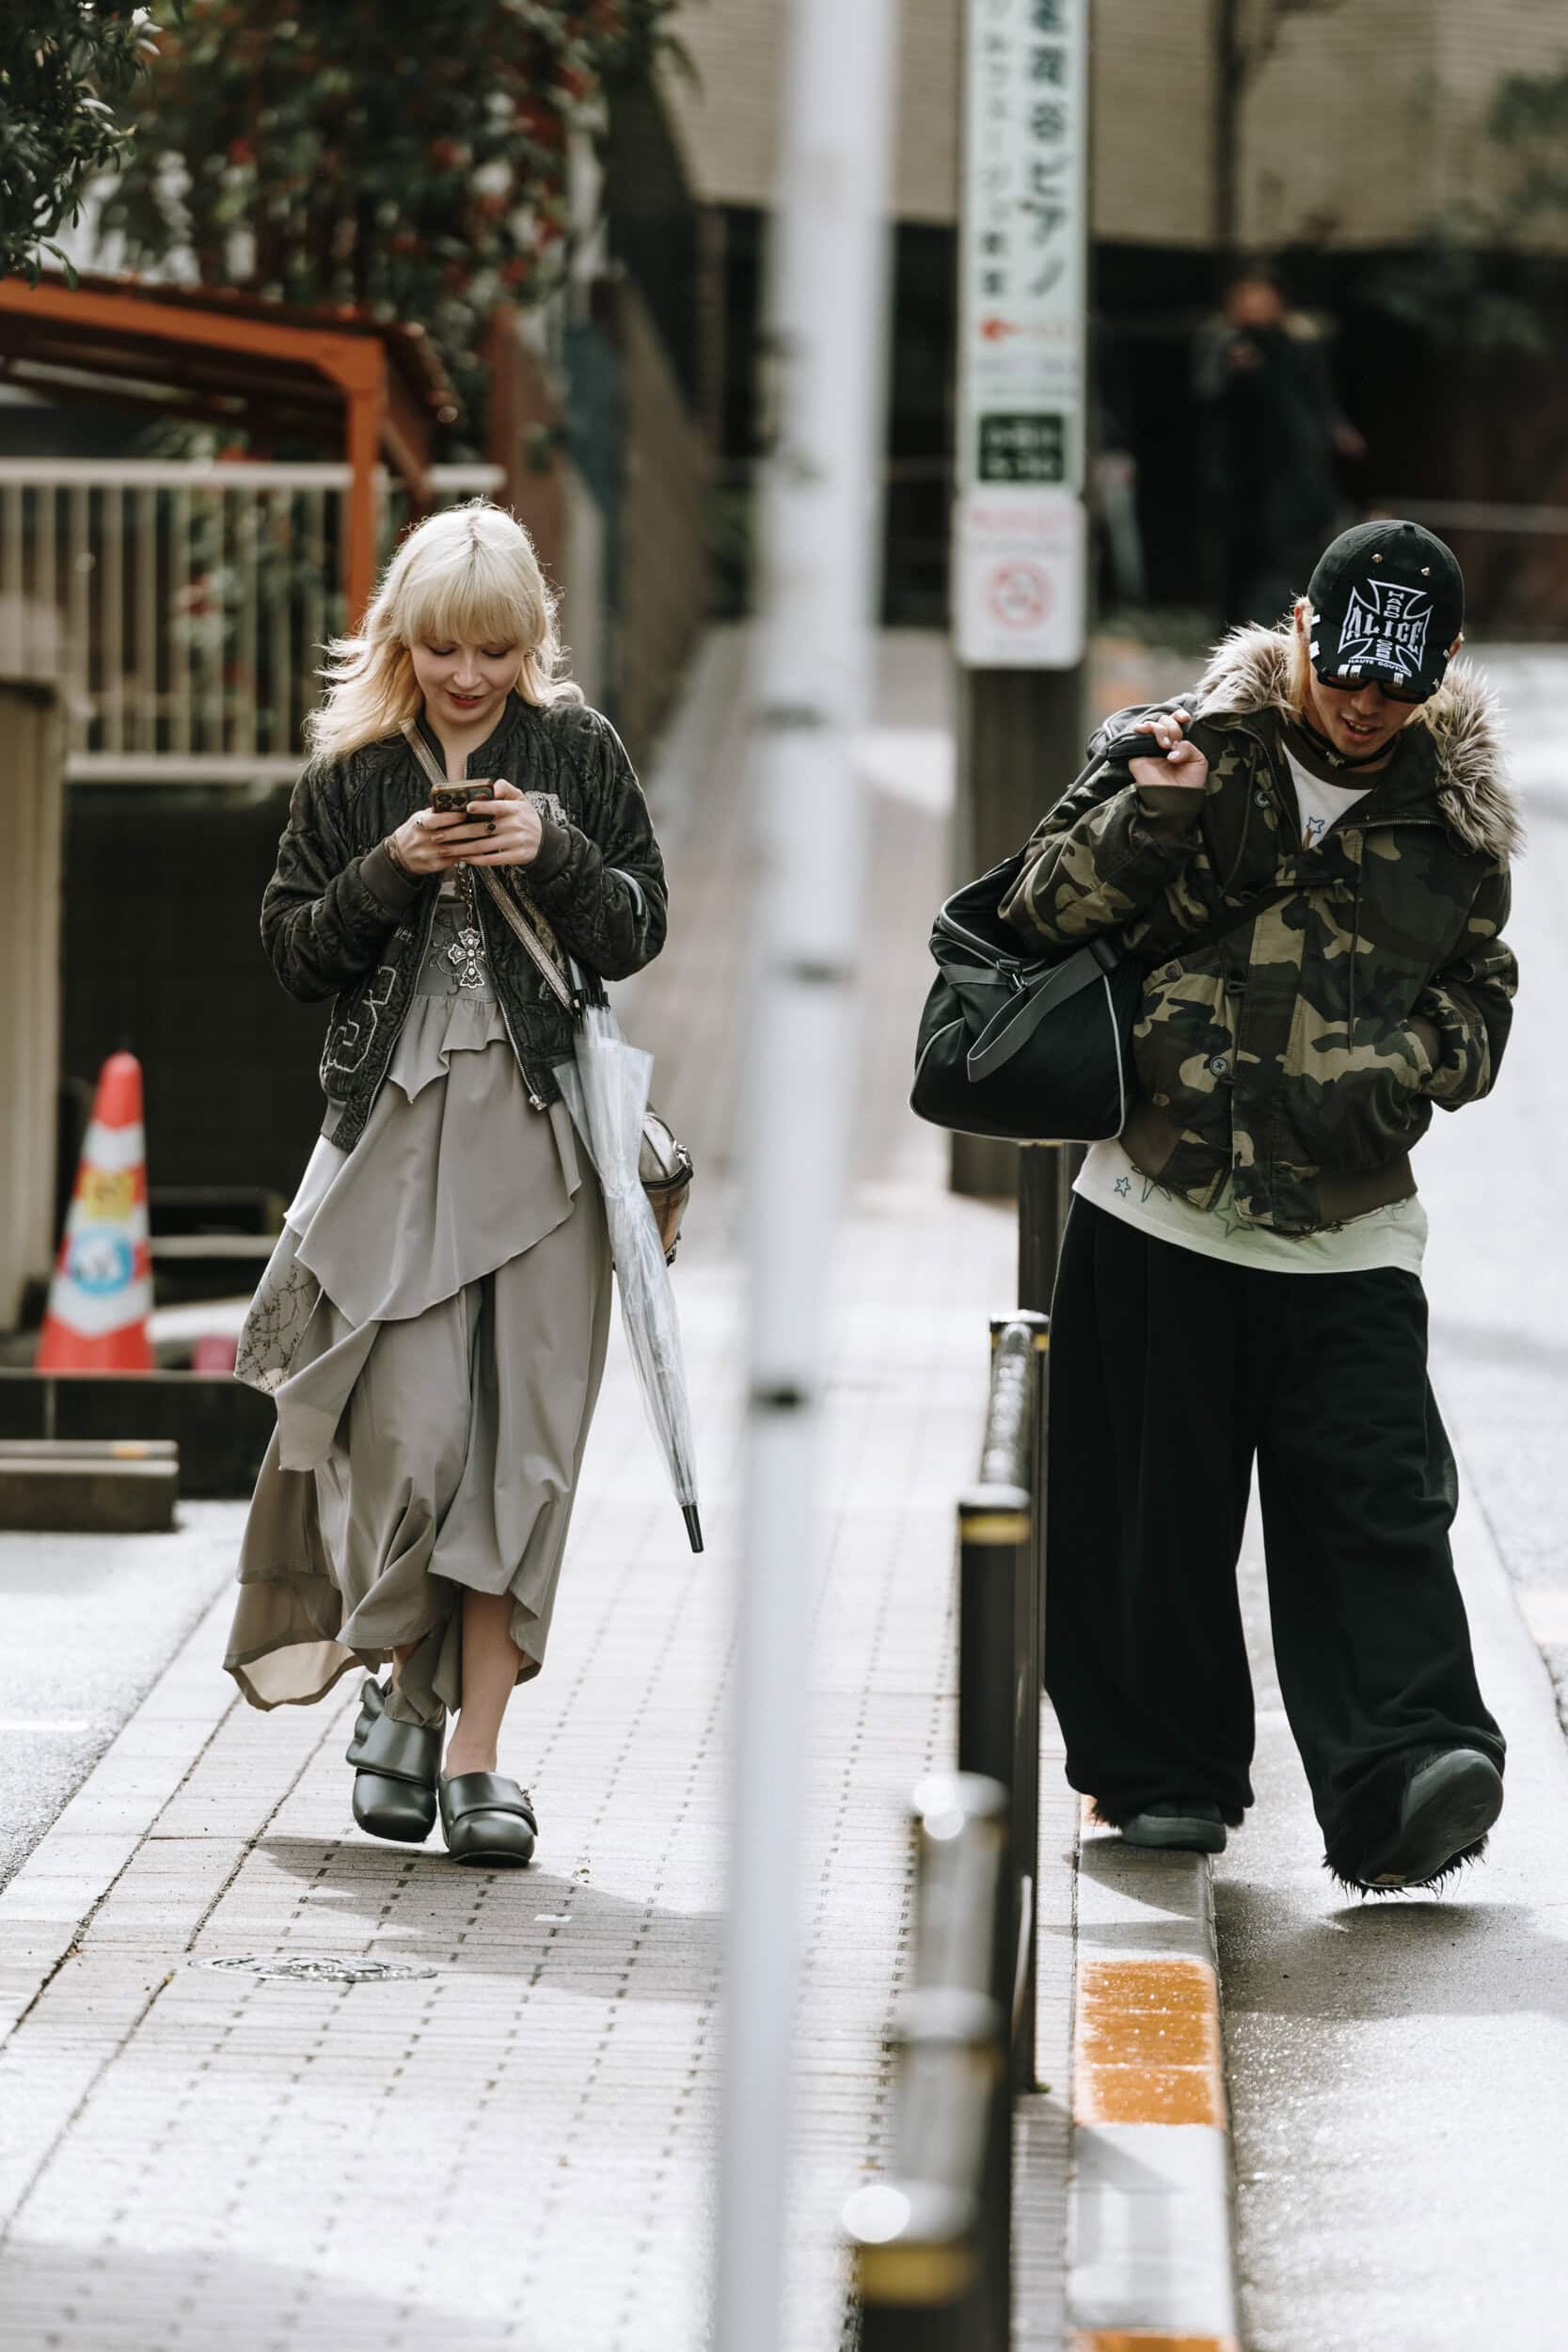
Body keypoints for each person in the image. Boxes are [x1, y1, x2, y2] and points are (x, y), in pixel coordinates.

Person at [1001, 519, 1519, 1893]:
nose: (1360, 703)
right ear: (1299, 626)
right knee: (1147, 1514)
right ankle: (1157, 1775)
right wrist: (1151, 806)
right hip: (1157, 1206)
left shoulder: (1454, 826)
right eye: (1342, 668)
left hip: (1349, 1231)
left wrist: (1404, 1069)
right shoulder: (1190, 750)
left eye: (1393, 685)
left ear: (1441, 668)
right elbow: (1039, 912)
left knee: (1374, 1507)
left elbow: (1482, 998)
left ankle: (1406, 1771)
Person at [224, 499, 667, 1867]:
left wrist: (555, 849)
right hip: (394, 1145)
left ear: (528, 642)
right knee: (406, 1440)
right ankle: (394, 1690)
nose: (465, 677)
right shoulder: (356, 769)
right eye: (438, 650)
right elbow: (294, 949)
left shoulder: (575, 753)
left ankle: (469, 1753)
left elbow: (638, 926)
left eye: (491, 650)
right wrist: (391, 868)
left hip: (542, 1149)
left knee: (522, 1464)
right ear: (399, 642)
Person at [1195, 262, 1365, 628]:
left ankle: (1286, 624)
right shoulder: (1222, 343)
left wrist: (1335, 428)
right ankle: (1237, 628)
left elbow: (1315, 396)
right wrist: (1238, 371)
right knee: (1240, 557)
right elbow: (1207, 395)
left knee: (1289, 553)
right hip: (1239, 472)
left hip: (1290, 469)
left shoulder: (1297, 345)